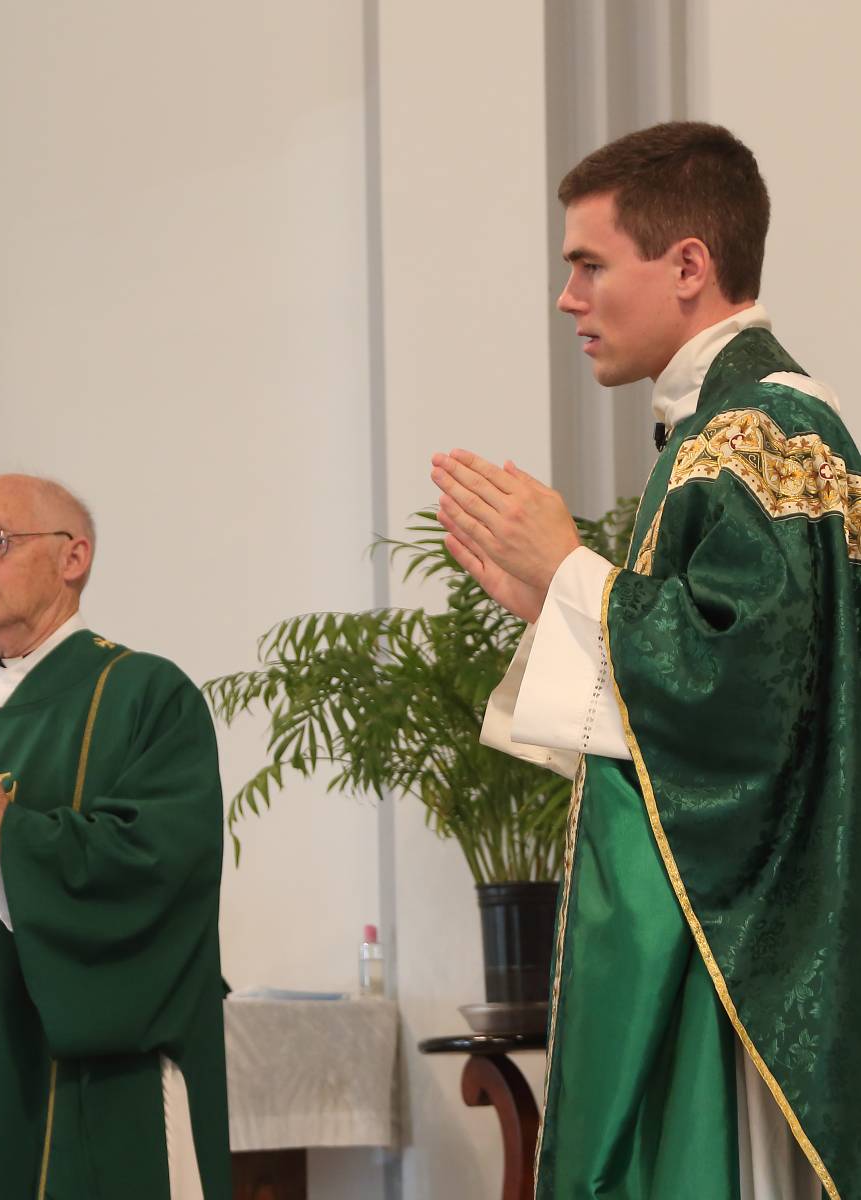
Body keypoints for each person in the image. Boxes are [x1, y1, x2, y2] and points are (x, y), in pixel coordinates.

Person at [433, 121, 853, 1199]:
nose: (567, 298)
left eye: (588, 264)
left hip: (741, 950)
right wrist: (555, 601)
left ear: (688, 267)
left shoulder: (758, 434)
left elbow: (745, 703)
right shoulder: (725, 429)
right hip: (729, 920)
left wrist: (575, 571)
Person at [0, 474, 230, 1200]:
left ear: (72, 557)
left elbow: (162, 870)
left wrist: (9, 831)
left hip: (93, 1074)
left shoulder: (146, 695)